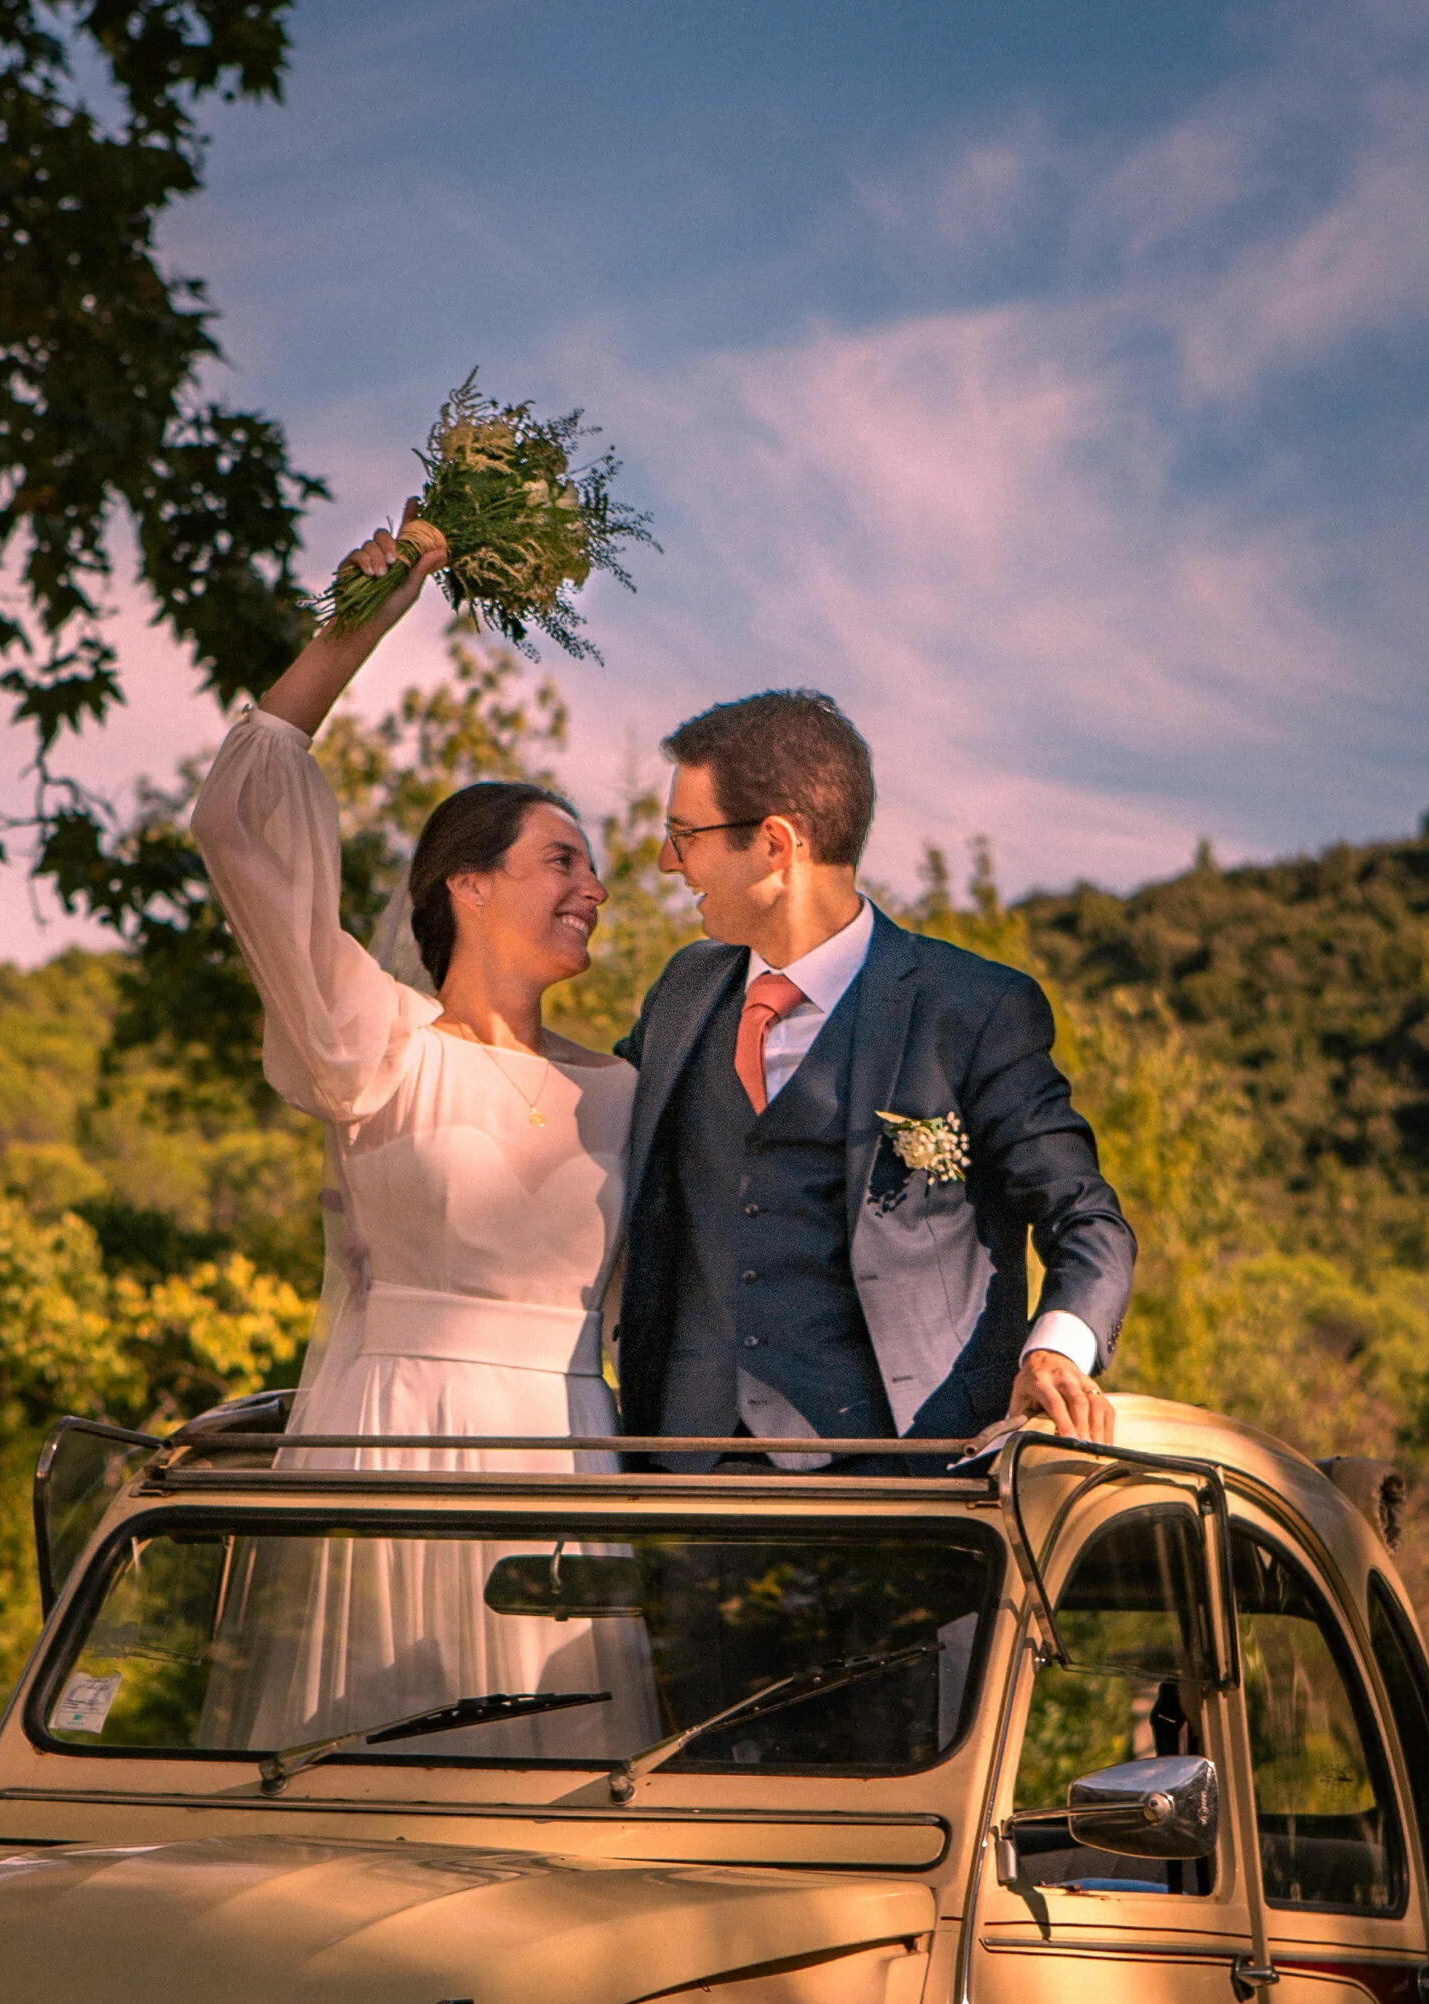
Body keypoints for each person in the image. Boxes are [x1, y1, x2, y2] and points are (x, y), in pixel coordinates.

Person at [188, 503, 653, 1752]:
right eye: (561, 860)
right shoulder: (373, 1042)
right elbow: (239, 828)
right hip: (401, 1448)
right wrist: (354, 627)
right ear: (468, 881)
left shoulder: (619, 1090)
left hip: (567, 1458)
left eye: (593, 866)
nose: (593, 888)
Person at [615, 689, 1134, 1468]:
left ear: (776, 844)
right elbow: (580, 1123)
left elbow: (1087, 1219)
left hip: (906, 1481)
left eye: (685, 834)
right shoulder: (684, 991)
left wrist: (1056, 1352)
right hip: (691, 1474)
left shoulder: (971, 1009)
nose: (667, 860)